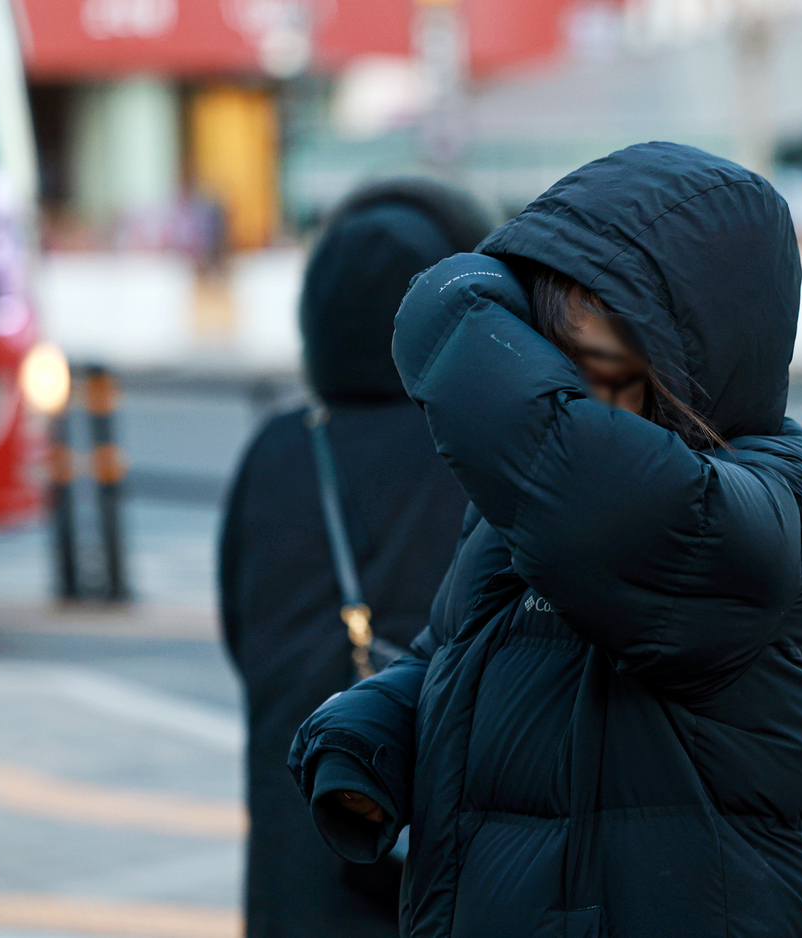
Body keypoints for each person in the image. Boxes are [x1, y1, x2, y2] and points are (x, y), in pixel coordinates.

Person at [287, 142, 802, 936]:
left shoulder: (783, 505)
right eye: (548, 340)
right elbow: (457, 647)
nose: (562, 379)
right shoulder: (550, 498)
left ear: (696, 349)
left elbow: (593, 485)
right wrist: (369, 733)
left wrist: (457, 303)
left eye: (592, 352)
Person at [219, 180, 491, 938]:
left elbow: (244, 636)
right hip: (442, 848)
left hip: (299, 843)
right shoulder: (481, 448)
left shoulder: (277, 451)